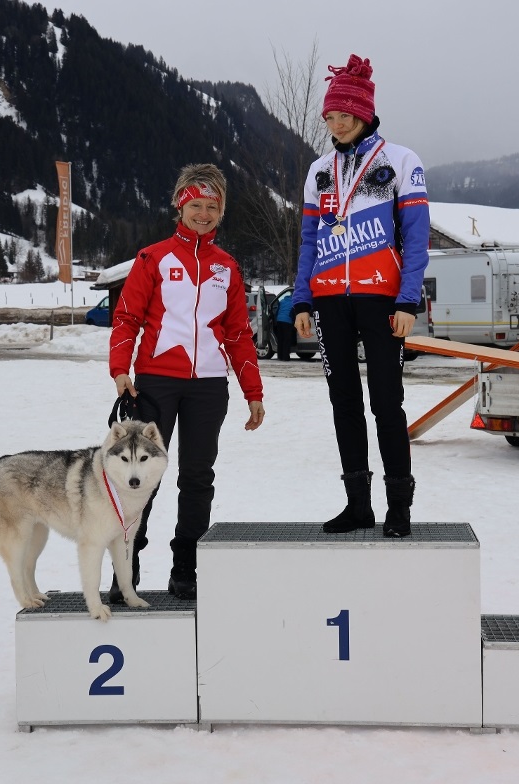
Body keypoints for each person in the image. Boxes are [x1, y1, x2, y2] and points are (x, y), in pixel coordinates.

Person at [109, 163, 266, 600]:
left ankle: (186, 571)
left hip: (209, 388)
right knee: (140, 478)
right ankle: (126, 570)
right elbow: (126, 318)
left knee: (198, 478)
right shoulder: (152, 258)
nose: (203, 213)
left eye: (212, 206)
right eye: (195, 204)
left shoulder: (227, 268)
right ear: (181, 206)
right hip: (155, 384)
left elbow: (237, 334)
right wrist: (121, 370)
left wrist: (253, 392)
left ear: (221, 211)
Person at [292, 54, 430, 538]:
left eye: (345, 114)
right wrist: (302, 300)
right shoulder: (318, 171)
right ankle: (358, 505)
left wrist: (407, 301)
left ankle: (399, 507)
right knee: (343, 401)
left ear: (366, 113)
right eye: (330, 116)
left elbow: (416, 238)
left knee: (386, 403)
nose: (337, 123)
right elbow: (309, 240)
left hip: (381, 300)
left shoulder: (400, 162)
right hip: (329, 301)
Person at [273, 289, 295, 361]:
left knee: (280, 339)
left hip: (279, 321)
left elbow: (277, 311)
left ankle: (280, 356)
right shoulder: (293, 302)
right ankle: (285, 357)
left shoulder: (282, 301)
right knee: (286, 340)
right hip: (287, 321)